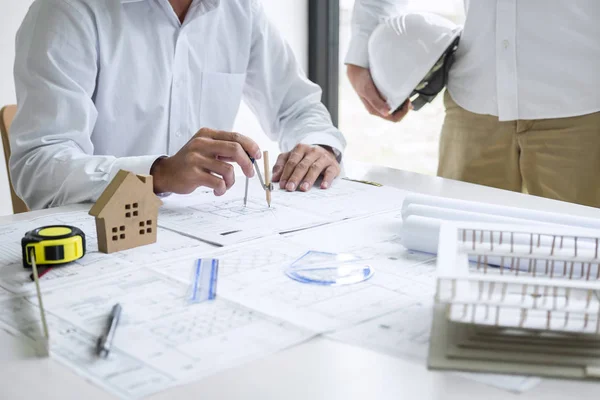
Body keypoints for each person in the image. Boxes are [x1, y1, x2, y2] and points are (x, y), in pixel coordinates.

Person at [10, 0, 346, 210]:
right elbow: (38, 167)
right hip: (104, 240)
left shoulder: (241, 9)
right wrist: (156, 173)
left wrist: (317, 146)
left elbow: (296, 106)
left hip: (210, 228)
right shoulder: (67, 10)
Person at [346, 0, 600, 208]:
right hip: (474, 99)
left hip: (581, 103)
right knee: (460, 248)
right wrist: (361, 50)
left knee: (583, 255)